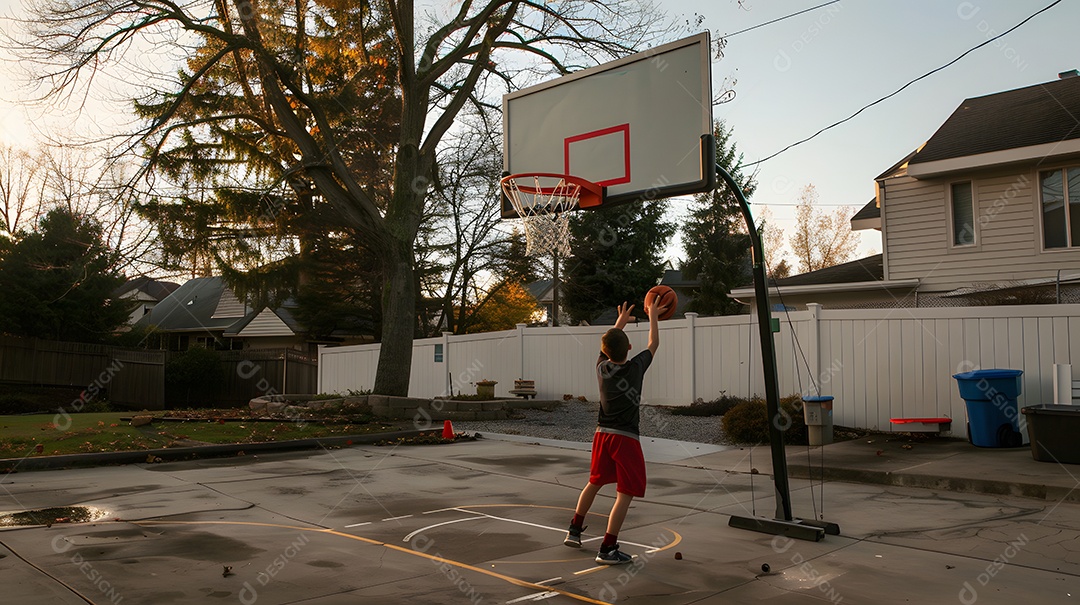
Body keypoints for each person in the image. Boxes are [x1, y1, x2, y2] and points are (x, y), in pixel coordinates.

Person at [563, 298, 663, 564]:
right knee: (625, 492)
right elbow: (653, 344)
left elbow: (609, 344)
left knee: (594, 482)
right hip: (625, 438)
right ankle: (607, 548)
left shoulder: (601, 368)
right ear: (630, 348)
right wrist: (652, 315)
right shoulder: (634, 369)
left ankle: (574, 530)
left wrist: (620, 322)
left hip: (601, 435)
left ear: (604, 351)